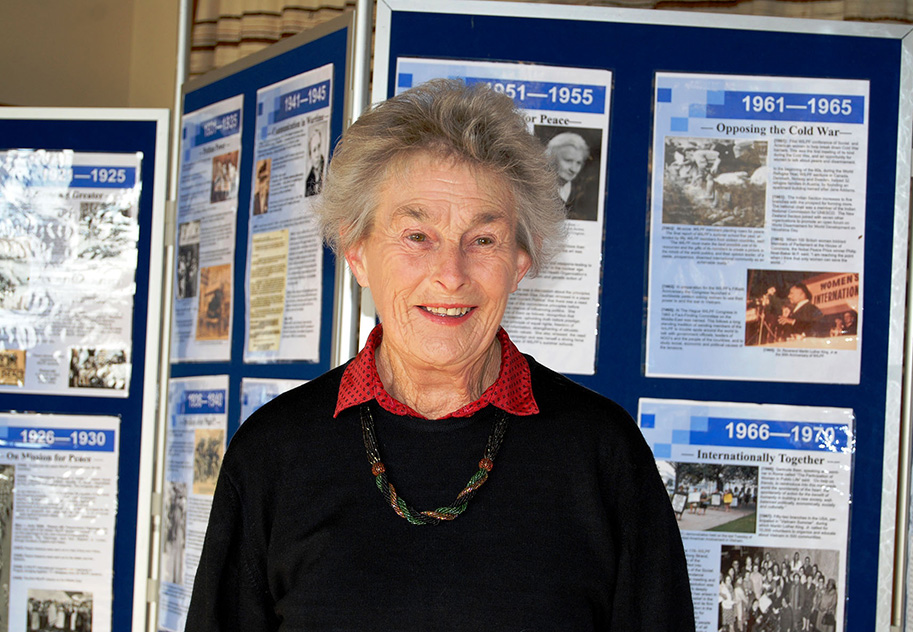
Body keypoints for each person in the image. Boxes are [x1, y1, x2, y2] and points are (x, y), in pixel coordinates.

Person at [185, 79, 693, 630]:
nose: (450, 275)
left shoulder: (602, 454)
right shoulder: (273, 454)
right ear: (357, 255)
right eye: (417, 236)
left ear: (520, 264)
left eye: (482, 241)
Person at [545, 131, 596, 220]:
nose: (573, 169)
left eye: (578, 163)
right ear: (551, 158)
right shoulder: (538, 188)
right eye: (568, 160)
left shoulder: (584, 193)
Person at [305, 127, 325, 197]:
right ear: (310, 155)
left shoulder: (328, 171)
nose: (317, 154)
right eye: (314, 150)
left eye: (319, 147)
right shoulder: (308, 181)